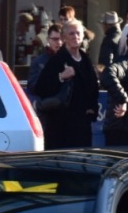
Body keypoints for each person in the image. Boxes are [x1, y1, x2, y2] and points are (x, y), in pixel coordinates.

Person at [32, 18, 99, 149]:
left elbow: (93, 88)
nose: (76, 37)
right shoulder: (57, 60)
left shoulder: (85, 60)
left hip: (82, 124)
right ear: (64, 37)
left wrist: (92, 109)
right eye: (71, 33)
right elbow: (40, 88)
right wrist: (61, 76)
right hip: (61, 125)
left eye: (78, 33)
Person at [29, 23, 62, 93]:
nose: (59, 42)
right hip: (47, 101)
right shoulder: (38, 62)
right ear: (48, 40)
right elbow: (33, 87)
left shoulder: (70, 60)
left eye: (62, 39)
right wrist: (59, 77)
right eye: (55, 39)